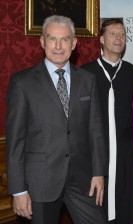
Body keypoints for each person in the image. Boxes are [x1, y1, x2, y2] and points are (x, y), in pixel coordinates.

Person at [6, 15, 107, 224]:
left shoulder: (88, 80)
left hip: (82, 179)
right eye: (52, 39)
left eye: (65, 39)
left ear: (74, 43)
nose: (58, 46)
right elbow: (15, 142)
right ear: (43, 42)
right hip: (40, 182)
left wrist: (99, 173)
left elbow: (95, 131)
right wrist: (18, 191)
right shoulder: (22, 83)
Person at [82, 18, 133, 223]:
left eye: (123, 34)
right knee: (96, 206)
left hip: (126, 153)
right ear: (101, 39)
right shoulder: (85, 73)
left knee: (126, 205)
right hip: (96, 154)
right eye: (113, 34)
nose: (119, 38)